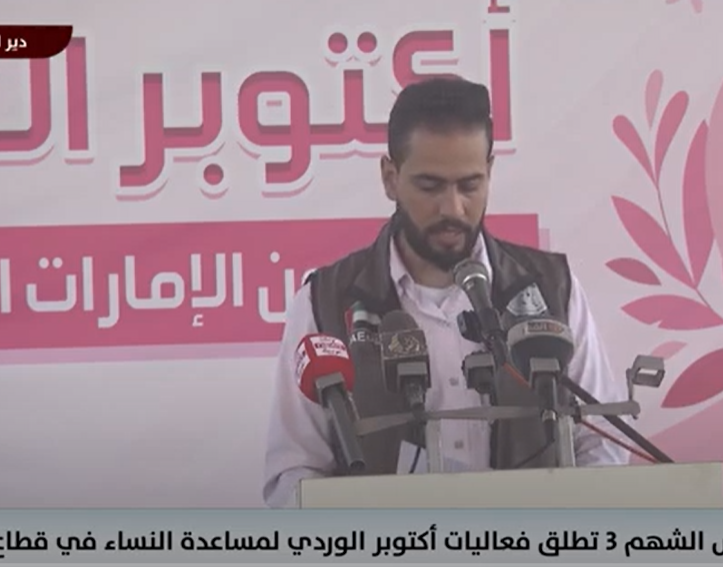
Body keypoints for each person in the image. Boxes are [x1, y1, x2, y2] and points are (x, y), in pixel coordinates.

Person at [262, 77, 630, 508]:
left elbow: (603, 448)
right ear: (390, 178)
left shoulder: (551, 289)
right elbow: (293, 476)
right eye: (430, 186)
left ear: (490, 173)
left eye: (469, 185)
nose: (452, 209)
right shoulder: (325, 302)